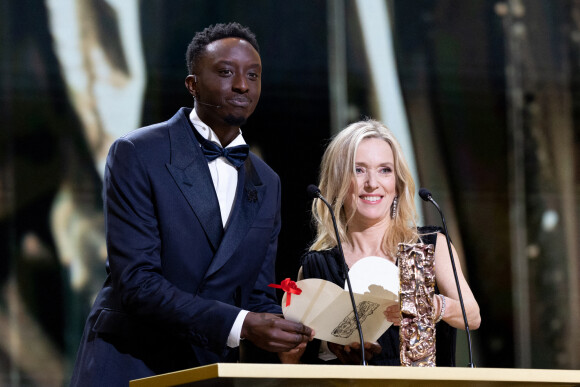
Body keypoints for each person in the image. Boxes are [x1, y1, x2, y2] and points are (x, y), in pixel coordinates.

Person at [70, 22, 313, 386]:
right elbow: (136, 282)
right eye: (226, 72)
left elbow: (257, 294)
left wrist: (306, 334)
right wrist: (241, 324)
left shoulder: (267, 181)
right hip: (130, 361)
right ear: (192, 84)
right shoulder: (138, 153)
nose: (242, 85)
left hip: (207, 368)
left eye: (253, 75)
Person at [285, 119, 480, 365]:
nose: (372, 183)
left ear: (397, 184)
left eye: (384, 170)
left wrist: (430, 305)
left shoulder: (427, 246)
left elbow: (472, 316)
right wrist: (290, 352)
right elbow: (296, 362)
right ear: (338, 183)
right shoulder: (315, 267)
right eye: (358, 169)